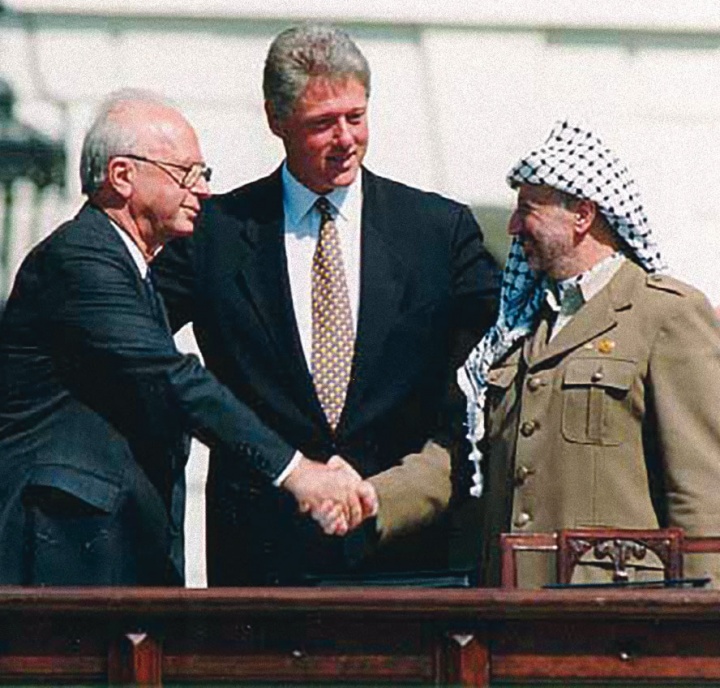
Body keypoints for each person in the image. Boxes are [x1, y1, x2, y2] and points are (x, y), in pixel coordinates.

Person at [152, 24, 500, 585]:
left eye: (355, 117)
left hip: (405, 549)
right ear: (276, 120)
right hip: (262, 553)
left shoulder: (438, 231)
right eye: (322, 123)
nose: (345, 139)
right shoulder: (214, 234)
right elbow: (134, 346)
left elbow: (502, 352)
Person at [0, 90, 375, 586]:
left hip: (113, 550)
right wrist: (296, 471)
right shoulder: (80, 260)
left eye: (205, 174)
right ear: (122, 177)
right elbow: (172, 378)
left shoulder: (135, 271)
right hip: (63, 554)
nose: (203, 191)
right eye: (186, 174)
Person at [460, 120, 720, 588]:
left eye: (527, 210)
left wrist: (697, 628)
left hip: (616, 619)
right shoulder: (521, 327)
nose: (513, 227)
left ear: (582, 215)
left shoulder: (665, 315)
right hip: (507, 611)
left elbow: (703, 495)